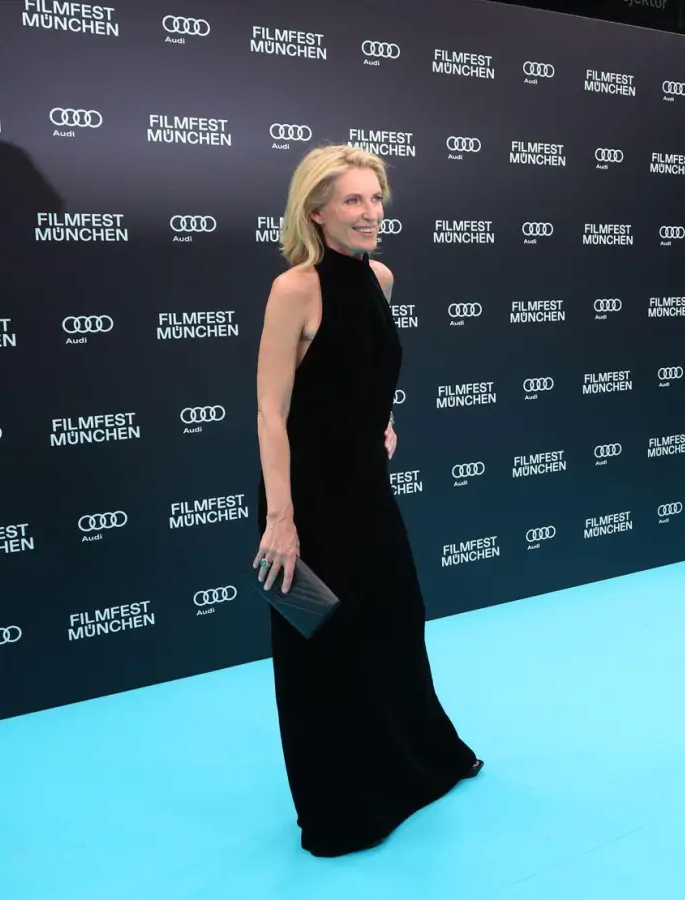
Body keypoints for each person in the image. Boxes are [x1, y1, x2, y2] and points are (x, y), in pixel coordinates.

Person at [253, 145, 482, 857]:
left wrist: (381, 420)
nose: (371, 213)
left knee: (394, 621)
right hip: (305, 498)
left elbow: (360, 369)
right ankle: (340, 807)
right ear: (316, 211)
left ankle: (412, 768)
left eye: (377, 198)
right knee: (320, 646)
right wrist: (281, 522)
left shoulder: (381, 278)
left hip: (364, 488)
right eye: (354, 200)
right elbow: (271, 409)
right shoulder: (294, 288)